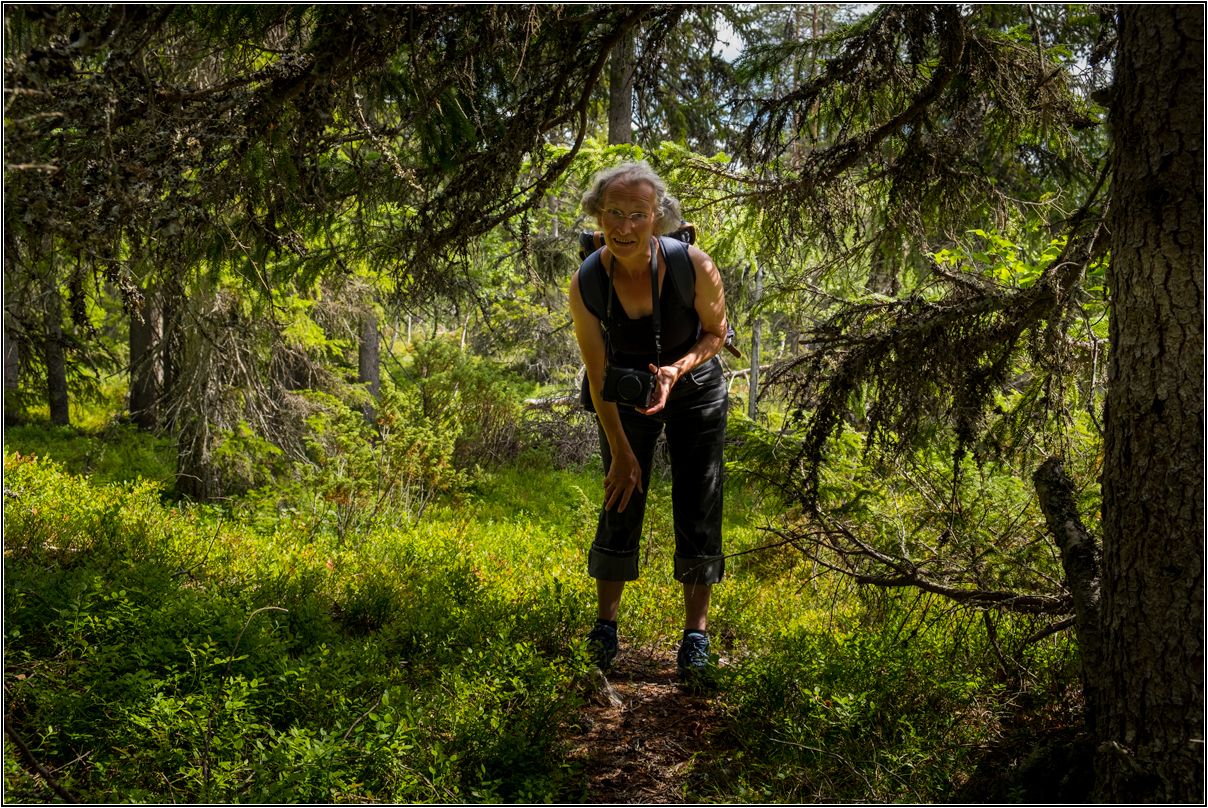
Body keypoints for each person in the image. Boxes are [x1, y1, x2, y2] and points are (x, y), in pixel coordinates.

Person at [568, 161, 729, 684]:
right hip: (623, 392)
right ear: (598, 214)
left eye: (638, 214)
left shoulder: (694, 266)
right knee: (620, 495)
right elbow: (596, 372)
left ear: (656, 216)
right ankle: (605, 628)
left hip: (693, 383)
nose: (625, 226)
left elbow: (717, 335)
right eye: (614, 212)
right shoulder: (588, 281)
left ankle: (696, 636)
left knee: (697, 500)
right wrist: (621, 450)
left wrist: (676, 371)